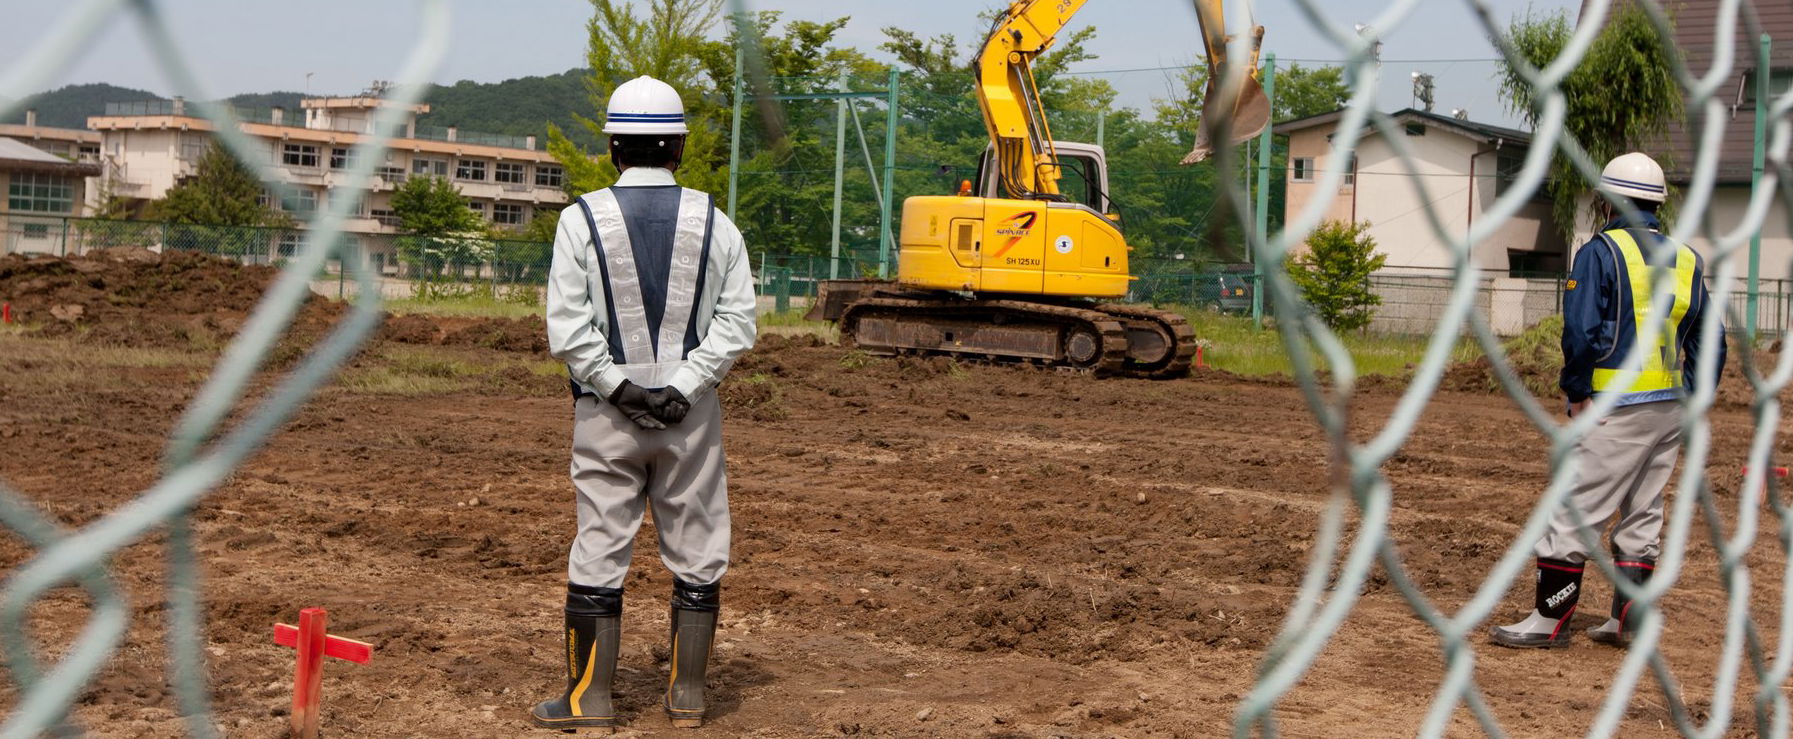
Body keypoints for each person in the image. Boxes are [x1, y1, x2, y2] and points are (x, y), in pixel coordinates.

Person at [532, 75, 757, 730]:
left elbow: (568, 329)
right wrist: (683, 386)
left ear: (613, 147)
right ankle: (686, 695)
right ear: (679, 150)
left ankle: (587, 700)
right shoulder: (716, 221)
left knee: (600, 542)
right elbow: (737, 323)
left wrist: (621, 388)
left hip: (606, 414)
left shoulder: (579, 220)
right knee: (697, 543)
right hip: (690, 416)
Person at [1490, 152, 1725, 649]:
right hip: (1669, 403)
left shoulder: (1600, 252)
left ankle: (1549, 621)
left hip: (1614, 403)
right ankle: (1628, 622)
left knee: (1574, 510)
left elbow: (1579, 331)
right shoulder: (1686, 258)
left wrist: (1577, 392)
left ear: (1609, 201)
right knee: (1643, 513)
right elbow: (1711, 337)